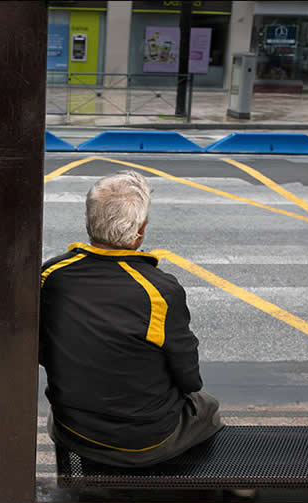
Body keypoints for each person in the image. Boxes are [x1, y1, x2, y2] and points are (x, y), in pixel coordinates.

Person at [39, 170, 223, 468]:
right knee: (208, 407)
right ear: (139, 232)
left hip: (71, 427)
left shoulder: (52, 274)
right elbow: (189, 378)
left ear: (89, 222)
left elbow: (43, 349)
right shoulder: (159, 291)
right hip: (142, 442)